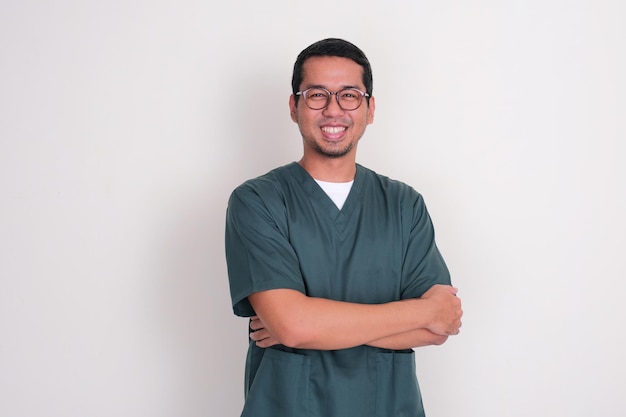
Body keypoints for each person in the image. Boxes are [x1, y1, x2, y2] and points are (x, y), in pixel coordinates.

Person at [224, 38, 462, 417]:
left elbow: (442, 323)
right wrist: (418, 312)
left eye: (349, 95)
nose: (333, 110)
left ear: (370, 108)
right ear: (294, 106)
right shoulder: (258, 201)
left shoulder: (404, 204)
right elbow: (293, 326)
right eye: (317, 94)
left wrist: (312, 326)